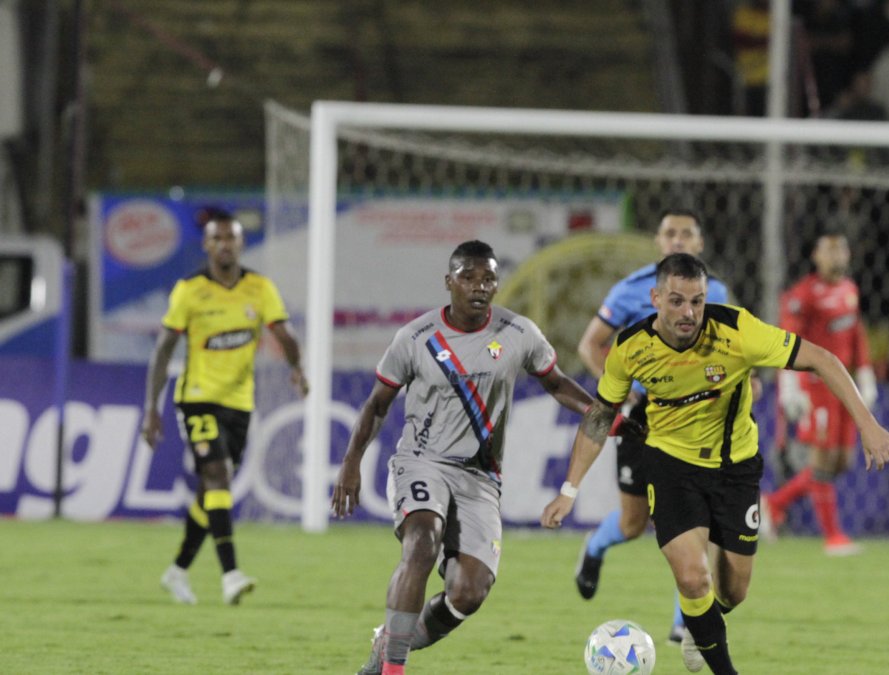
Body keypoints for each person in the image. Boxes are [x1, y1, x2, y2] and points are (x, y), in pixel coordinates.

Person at [542, 253, 889, 675]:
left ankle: (700, 623)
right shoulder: (631, 348)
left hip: (736, 469)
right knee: (693, 579)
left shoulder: (736, 330)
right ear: (655, 298)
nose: (688, 312)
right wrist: (569, 490)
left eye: (696, 301)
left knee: (733, 591)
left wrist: (868, 424)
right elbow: (601, 415)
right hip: (670, 465)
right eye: (676, 301)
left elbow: (821, 358)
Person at [333, 240, 615, 675]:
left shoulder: (519, 333)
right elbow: (376, 405)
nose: (479, 286)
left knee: (469, 591)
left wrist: (603, 414)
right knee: (422, 542)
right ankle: (393, 669)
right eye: (468, 277)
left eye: (488, 278)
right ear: (449, 282)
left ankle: (388, 640)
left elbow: (556, 384)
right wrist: (351, 464)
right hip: (421, 462)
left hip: (481, 477)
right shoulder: (416, 338)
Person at [574, 209, 730, 645]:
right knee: (632, 523)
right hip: (644, 417)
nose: (678, 240)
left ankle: (686, 621)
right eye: (670, 233)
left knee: (694, 518)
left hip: (698, 417)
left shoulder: (715, 292)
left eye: (687, 233)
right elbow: (591, 345)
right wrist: (621, 391)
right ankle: (595, 546)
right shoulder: (630, 291)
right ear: (658, 242)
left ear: (699, 243)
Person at [142, 214, 308, 606]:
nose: (225, 245)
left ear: (241, 243)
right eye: (217, 238)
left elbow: (284, 334)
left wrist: (297, 369)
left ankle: (177, 570)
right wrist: (151, 407)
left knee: (212, 489)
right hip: (197, 397)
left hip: (239, 402)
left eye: (231, 238)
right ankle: (230, 574)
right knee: (216, 475)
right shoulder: (190, 291)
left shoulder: (259, 288)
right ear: (206, 245)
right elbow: (164, 350)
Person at [764, 231, 876, 555]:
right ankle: (833, 537)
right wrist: (789, 386)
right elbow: (787, 340)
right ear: (816, 256)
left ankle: (773, 503)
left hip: (844, 386)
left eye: (841, 249)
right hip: (815, 386)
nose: (836, 256)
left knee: (842, 461)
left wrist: (865, 375)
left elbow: (856, 336)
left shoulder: (850, 291)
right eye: (829, 250)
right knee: (822, 458)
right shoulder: (802, 295)